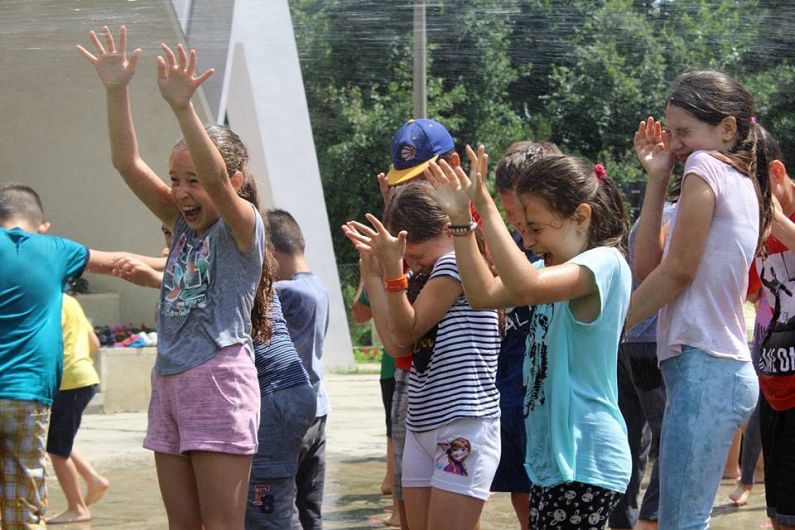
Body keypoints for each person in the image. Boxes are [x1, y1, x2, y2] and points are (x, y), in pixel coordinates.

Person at [79, 26, 265, 528]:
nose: (182, 192)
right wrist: (116, 90)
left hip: (217, 380)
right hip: (169, 380)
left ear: (234, 182)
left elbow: (218, 185)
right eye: (175, 180)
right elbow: (126, 163)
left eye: (194, 181)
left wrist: (184, 108)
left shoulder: (241, 226)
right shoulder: (182, 223)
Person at [425, 147, 632, 529]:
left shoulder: (604, 262)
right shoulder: (548, 269)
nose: (529, 241)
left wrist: (484, 206)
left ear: (581, 217)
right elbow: (482, 293)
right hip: (556, 460)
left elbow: (525, 287)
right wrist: (461, 221)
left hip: (586, 456)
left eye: (535, 228)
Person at [628, 70, 772, 529]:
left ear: (727, 128)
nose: (674, 143)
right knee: (682, 521)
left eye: (683, 132)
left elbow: (678, 271)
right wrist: (657, 177)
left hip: (707, 368)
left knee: (681, 524)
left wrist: (610, 325)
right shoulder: (735, 177)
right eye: (670, 132)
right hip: (709, 369)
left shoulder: (706, 166)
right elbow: (647, 268)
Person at [343, 180, 502, 530]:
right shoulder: (424, 274)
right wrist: (373, 274)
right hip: (422, 423)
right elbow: (396, 345)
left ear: (447, 230)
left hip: (461, 422)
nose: (413, 265)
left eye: (416, 256)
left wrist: (393, 274)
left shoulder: (454, 263)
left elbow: (406, 330)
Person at [0, 183, 119, 528]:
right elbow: (116, 263)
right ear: (42, 225)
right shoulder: (54, 248)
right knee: (23, 505)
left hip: (44, 388)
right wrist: (172, 261)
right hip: (28, 394)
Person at [491, 140, 561, 530]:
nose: (515, 222)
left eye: (519, 211)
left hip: (550, 398)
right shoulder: (514, 243)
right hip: (511, 387)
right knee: (521, 491)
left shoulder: (569, 251)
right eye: (507, 212)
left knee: (550, 496)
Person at [265, 209, 331, 530]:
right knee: (310, 508)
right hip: (318, 409)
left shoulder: (285, 292)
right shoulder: (319, 287)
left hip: (290, 416)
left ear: (270, 253)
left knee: (282, 505)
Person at [744, 126, 795, 530]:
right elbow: (750, 294)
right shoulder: (753, 229)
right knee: (779, 516)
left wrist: (776, 221)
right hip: (773, 382)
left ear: (776, 173)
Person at [45, 293, 109, 525]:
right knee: (59, 437)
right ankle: (93, 479)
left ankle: (77, 508)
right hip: (83, 378)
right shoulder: (70, 301)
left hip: (68, 381)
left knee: (56, 450)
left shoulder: (45, 299)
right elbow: (94, 343)